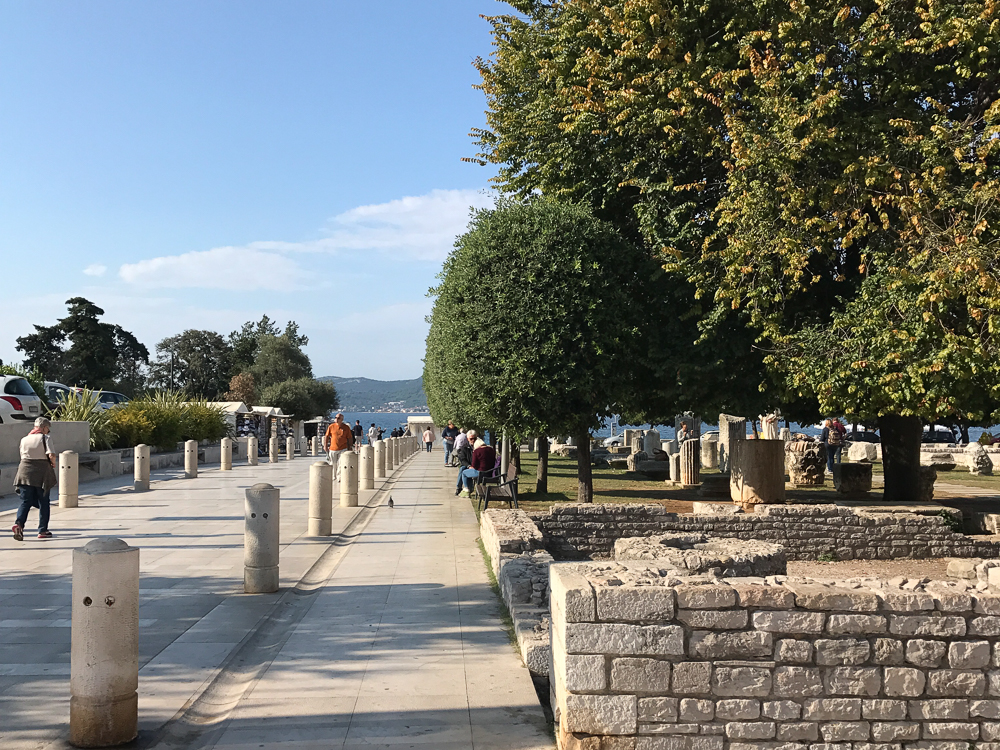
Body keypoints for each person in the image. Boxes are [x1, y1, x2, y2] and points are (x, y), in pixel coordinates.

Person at [12, 417, 58, 541]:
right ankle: (42, 530)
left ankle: (19, 524)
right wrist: (53, 463)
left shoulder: (24, 439)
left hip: (24, 471)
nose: (48, 431)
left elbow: (23, 456)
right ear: (43, 428)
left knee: (25, 501)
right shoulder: (45, 438)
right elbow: (51, 454)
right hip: (41, 473)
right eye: (47, 428)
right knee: (44, 502)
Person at [324, 413, 354, 481]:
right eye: (336, 417)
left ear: (342, 419)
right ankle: (333, 476)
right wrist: (325, 446)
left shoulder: (346, 427)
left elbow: (349, 438)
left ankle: (339, 477)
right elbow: (327, 436)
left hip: (343, 448)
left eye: (338, 418)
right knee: (333, 463)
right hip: (333, 448)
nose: (336, 419)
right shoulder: (331, 426)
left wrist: (350, 447)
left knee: (341, 463)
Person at [455, 429, 476, 495]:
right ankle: (459, 487)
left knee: (464, 470)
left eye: (474, 438)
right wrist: (469, 466)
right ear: (467, 439)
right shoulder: (465, 448)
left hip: (477, 466)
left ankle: (469, 488)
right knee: (463, 468)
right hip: (469, 465)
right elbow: (463, 459)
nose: (473, 440)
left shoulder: (479, 447)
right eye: (471, 439)